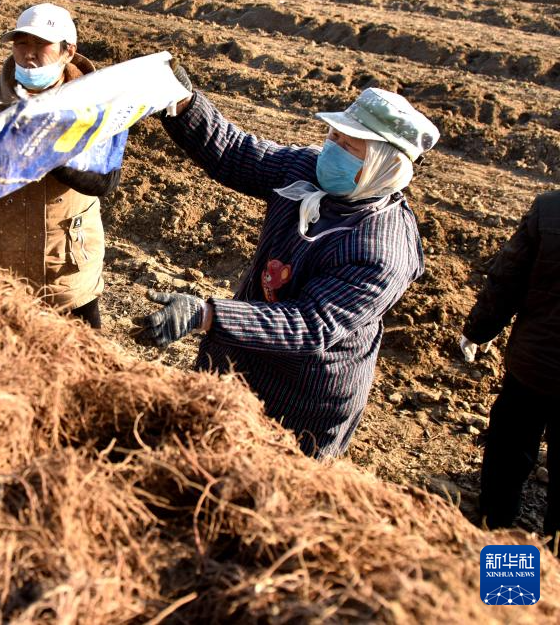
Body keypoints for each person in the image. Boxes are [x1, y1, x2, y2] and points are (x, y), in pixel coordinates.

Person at [135, 77, 438, 458]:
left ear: (385, 164)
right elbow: (236, 153)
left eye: (349, 146)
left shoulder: (380, 248)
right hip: (238, 359)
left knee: (261, 487)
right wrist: (182, 102)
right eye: (333, 136)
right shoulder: (309, 171)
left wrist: (206, 314)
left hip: (300, 396)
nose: (331, 149)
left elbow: (309, 323)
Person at [0, 3, 119, 328]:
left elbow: (105, 181)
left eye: (41, 45)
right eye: (21, 43)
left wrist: (49, 154)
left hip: (68, 273)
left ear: (67, 52)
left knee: (81, 368)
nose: (29, 54)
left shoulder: (95, 106)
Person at [460, 190, 560, 547]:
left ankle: (501, 576)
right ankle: (550, 585)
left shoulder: (551, 209)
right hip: (535, 365)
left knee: (506, 464)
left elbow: (508, 278)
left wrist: (479, 329)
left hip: (534, 368)